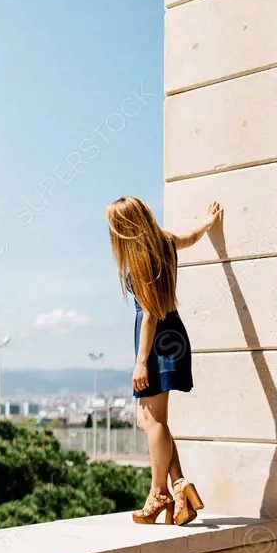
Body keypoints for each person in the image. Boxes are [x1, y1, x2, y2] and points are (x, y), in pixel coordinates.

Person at [105, 196, 222, 525]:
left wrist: (141, 361)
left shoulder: (141, 258)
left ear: (126, 227)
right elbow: (190, 237)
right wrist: (207, 223)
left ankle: (160, 495)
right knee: (150, 420)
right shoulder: (165, 243)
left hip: (157, 344)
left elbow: (151, 315)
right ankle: (179, 487)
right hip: (173, 339)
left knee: (151, 421)